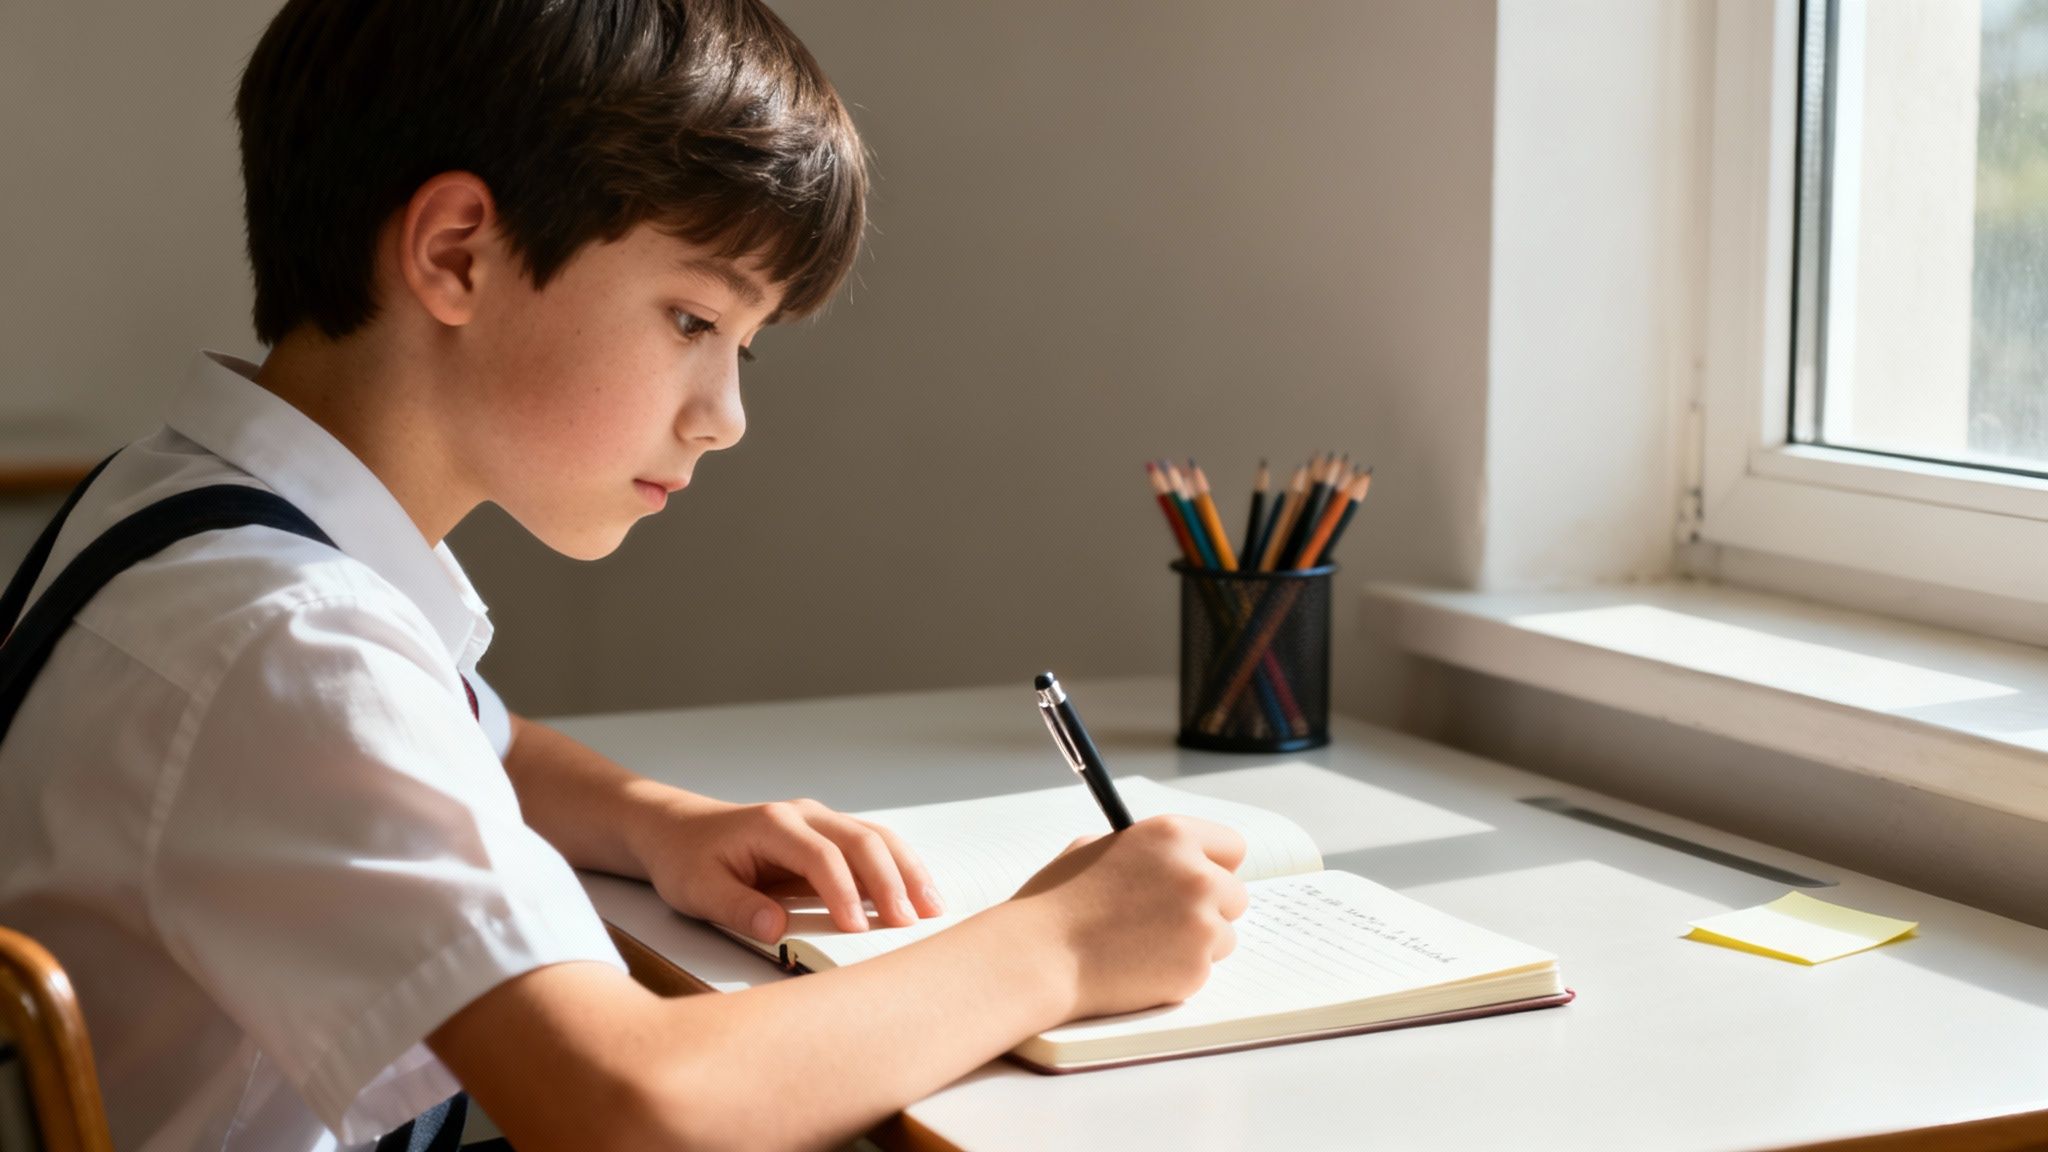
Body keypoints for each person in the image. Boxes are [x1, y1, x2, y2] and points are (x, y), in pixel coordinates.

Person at [0, 2, 1249, 1149]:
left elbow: (462, 739)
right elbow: (628, 1105)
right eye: (695, 322)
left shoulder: (179, 512)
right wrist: (1060, 947)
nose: (725, 415)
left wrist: (661, 821)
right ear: (454, 254)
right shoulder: (285, 641)